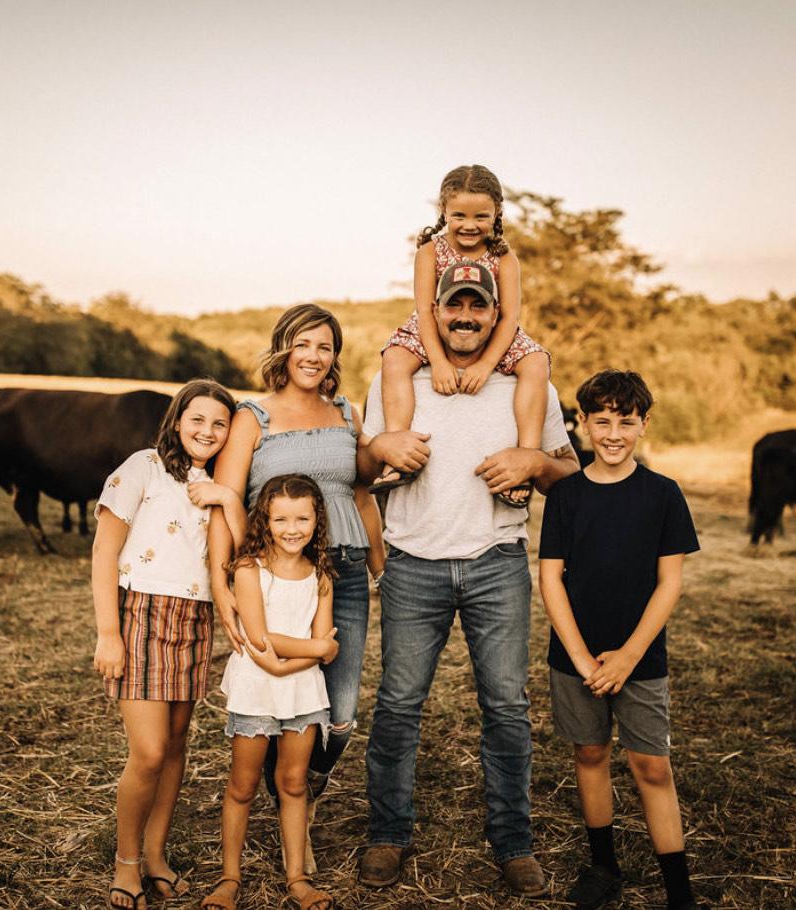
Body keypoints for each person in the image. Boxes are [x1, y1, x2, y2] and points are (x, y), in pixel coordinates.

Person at [358, 260, 580, 896]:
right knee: (399, 706)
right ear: (436, 309)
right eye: (453, 306)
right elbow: (362, 464)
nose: (463, 317)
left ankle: (513, 844)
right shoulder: (401, 375)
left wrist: (531, 457)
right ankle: (387, 835)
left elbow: (568, 471)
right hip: (413, 563)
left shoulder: (522, 378)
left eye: (476, 307)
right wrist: (381, 450)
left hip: (496, 562)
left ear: (494, 313)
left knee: (507, 708)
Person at [207, 304, 385, 873]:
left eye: (326, 347)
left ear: (335, 356)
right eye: (304, 344)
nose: (314, 356)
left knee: (339, 715)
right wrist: (224, 584)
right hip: (273, 574)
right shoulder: (251, 416)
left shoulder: (345, 412)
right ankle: (291, 809)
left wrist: (381, 564)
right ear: (283, 348)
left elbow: (361, 495)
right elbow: (226, 498)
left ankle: (298, 797)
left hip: (343, 570)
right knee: (274, 699)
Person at [538, 370, 703, 910]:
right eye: (601, 420)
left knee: (651, 764)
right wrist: (584, 658)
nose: (613, 433)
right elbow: (550, 578)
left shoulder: (662, 495)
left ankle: (678, 890)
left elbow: (669, 582)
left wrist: (629, 656)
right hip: (576, 658)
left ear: (644, 425)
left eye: (625, 422)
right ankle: (603, 866)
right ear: (582, 423)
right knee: (590, 753)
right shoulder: (566, 495)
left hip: (641, 658)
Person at [92, 379, 244, 910]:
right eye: (197, 419)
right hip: (143, 614)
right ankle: (126, 861)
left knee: (177, 746)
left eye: (219, 423)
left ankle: (156, 854)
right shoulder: (143, 467)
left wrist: (227, 496)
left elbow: (238, 551)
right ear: (177, 420)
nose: (207, 431)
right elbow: (104, 552)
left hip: (195, 617)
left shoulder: (221, 484)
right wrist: (108, 634)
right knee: (150, 751)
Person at [371, 164, 550, 508]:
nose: (470, 225)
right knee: (393, 357)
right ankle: (398, 450)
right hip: (434, 324)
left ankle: (526, 455)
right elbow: (425, 310)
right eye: (459, 215)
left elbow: (510, 315)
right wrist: (437, 361)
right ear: (443, 212)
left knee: (537, 362)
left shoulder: (504, 257)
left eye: (481, 216)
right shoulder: (430, 251)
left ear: (497, 213)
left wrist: (485, 365)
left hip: (495, 326)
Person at [203, 475, 338, 910]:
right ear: (265, 519)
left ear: (317, 520)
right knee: (242, 785)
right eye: (281, 519)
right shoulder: (248, 569)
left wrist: (308, 655)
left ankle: (297, 877)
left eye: (302, 517)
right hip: (256, 691)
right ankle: (229, 877)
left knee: (293, 783)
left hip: (302, 692)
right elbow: (260, 642)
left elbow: (311, 649)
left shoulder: (320, 575)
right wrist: (319, 648)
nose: (292, 528)